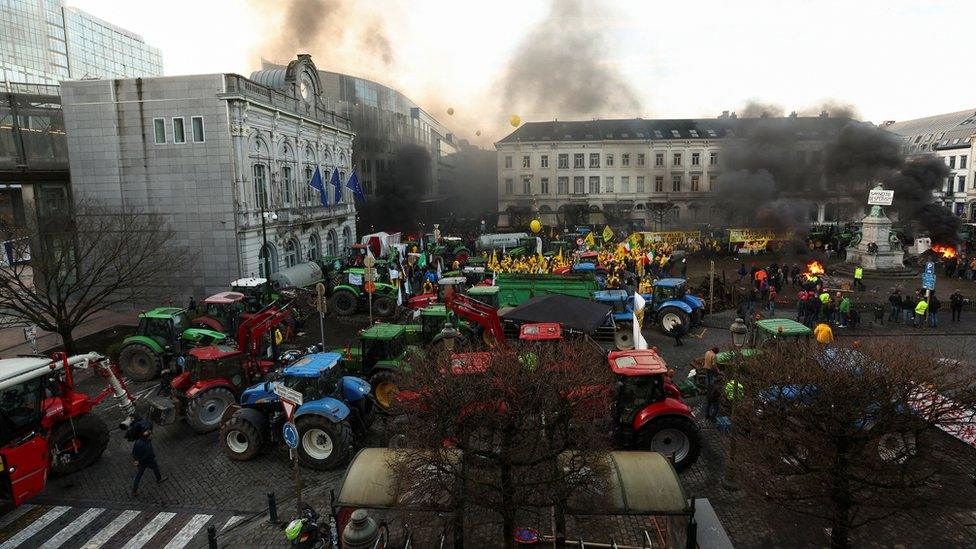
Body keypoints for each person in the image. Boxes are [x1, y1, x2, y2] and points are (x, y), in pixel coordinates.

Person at [131, 425, 166, 497]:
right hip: (149, 461)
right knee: (155, 468)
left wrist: (136, 460)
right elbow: (147, 454)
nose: (152, 435)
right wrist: (140, 461)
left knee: (138, 476)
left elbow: (133, 452)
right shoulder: (147, 445)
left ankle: (134, 490)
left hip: (140, 463)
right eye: (151, 435)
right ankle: (159, 479)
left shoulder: (138, 442)